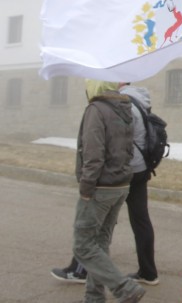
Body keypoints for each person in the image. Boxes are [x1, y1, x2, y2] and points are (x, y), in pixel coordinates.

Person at [51, 83, 159, 286]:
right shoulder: (140, 101)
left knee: (96, 225)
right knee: (140, 220)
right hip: (140, 168)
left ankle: (81, 270)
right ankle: (149, 272)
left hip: (122, 171)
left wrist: (90, 180)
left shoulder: (121, 104)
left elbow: (112, 142)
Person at [71, 80, 145, 303]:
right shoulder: (124, 106)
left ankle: (124, 288)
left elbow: (94, 154)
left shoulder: (96, 109)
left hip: (100, 187)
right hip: (120, 185)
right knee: (100, 245)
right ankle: (94, 298)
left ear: (96, 85)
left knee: (83, 246)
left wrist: (86, 188)